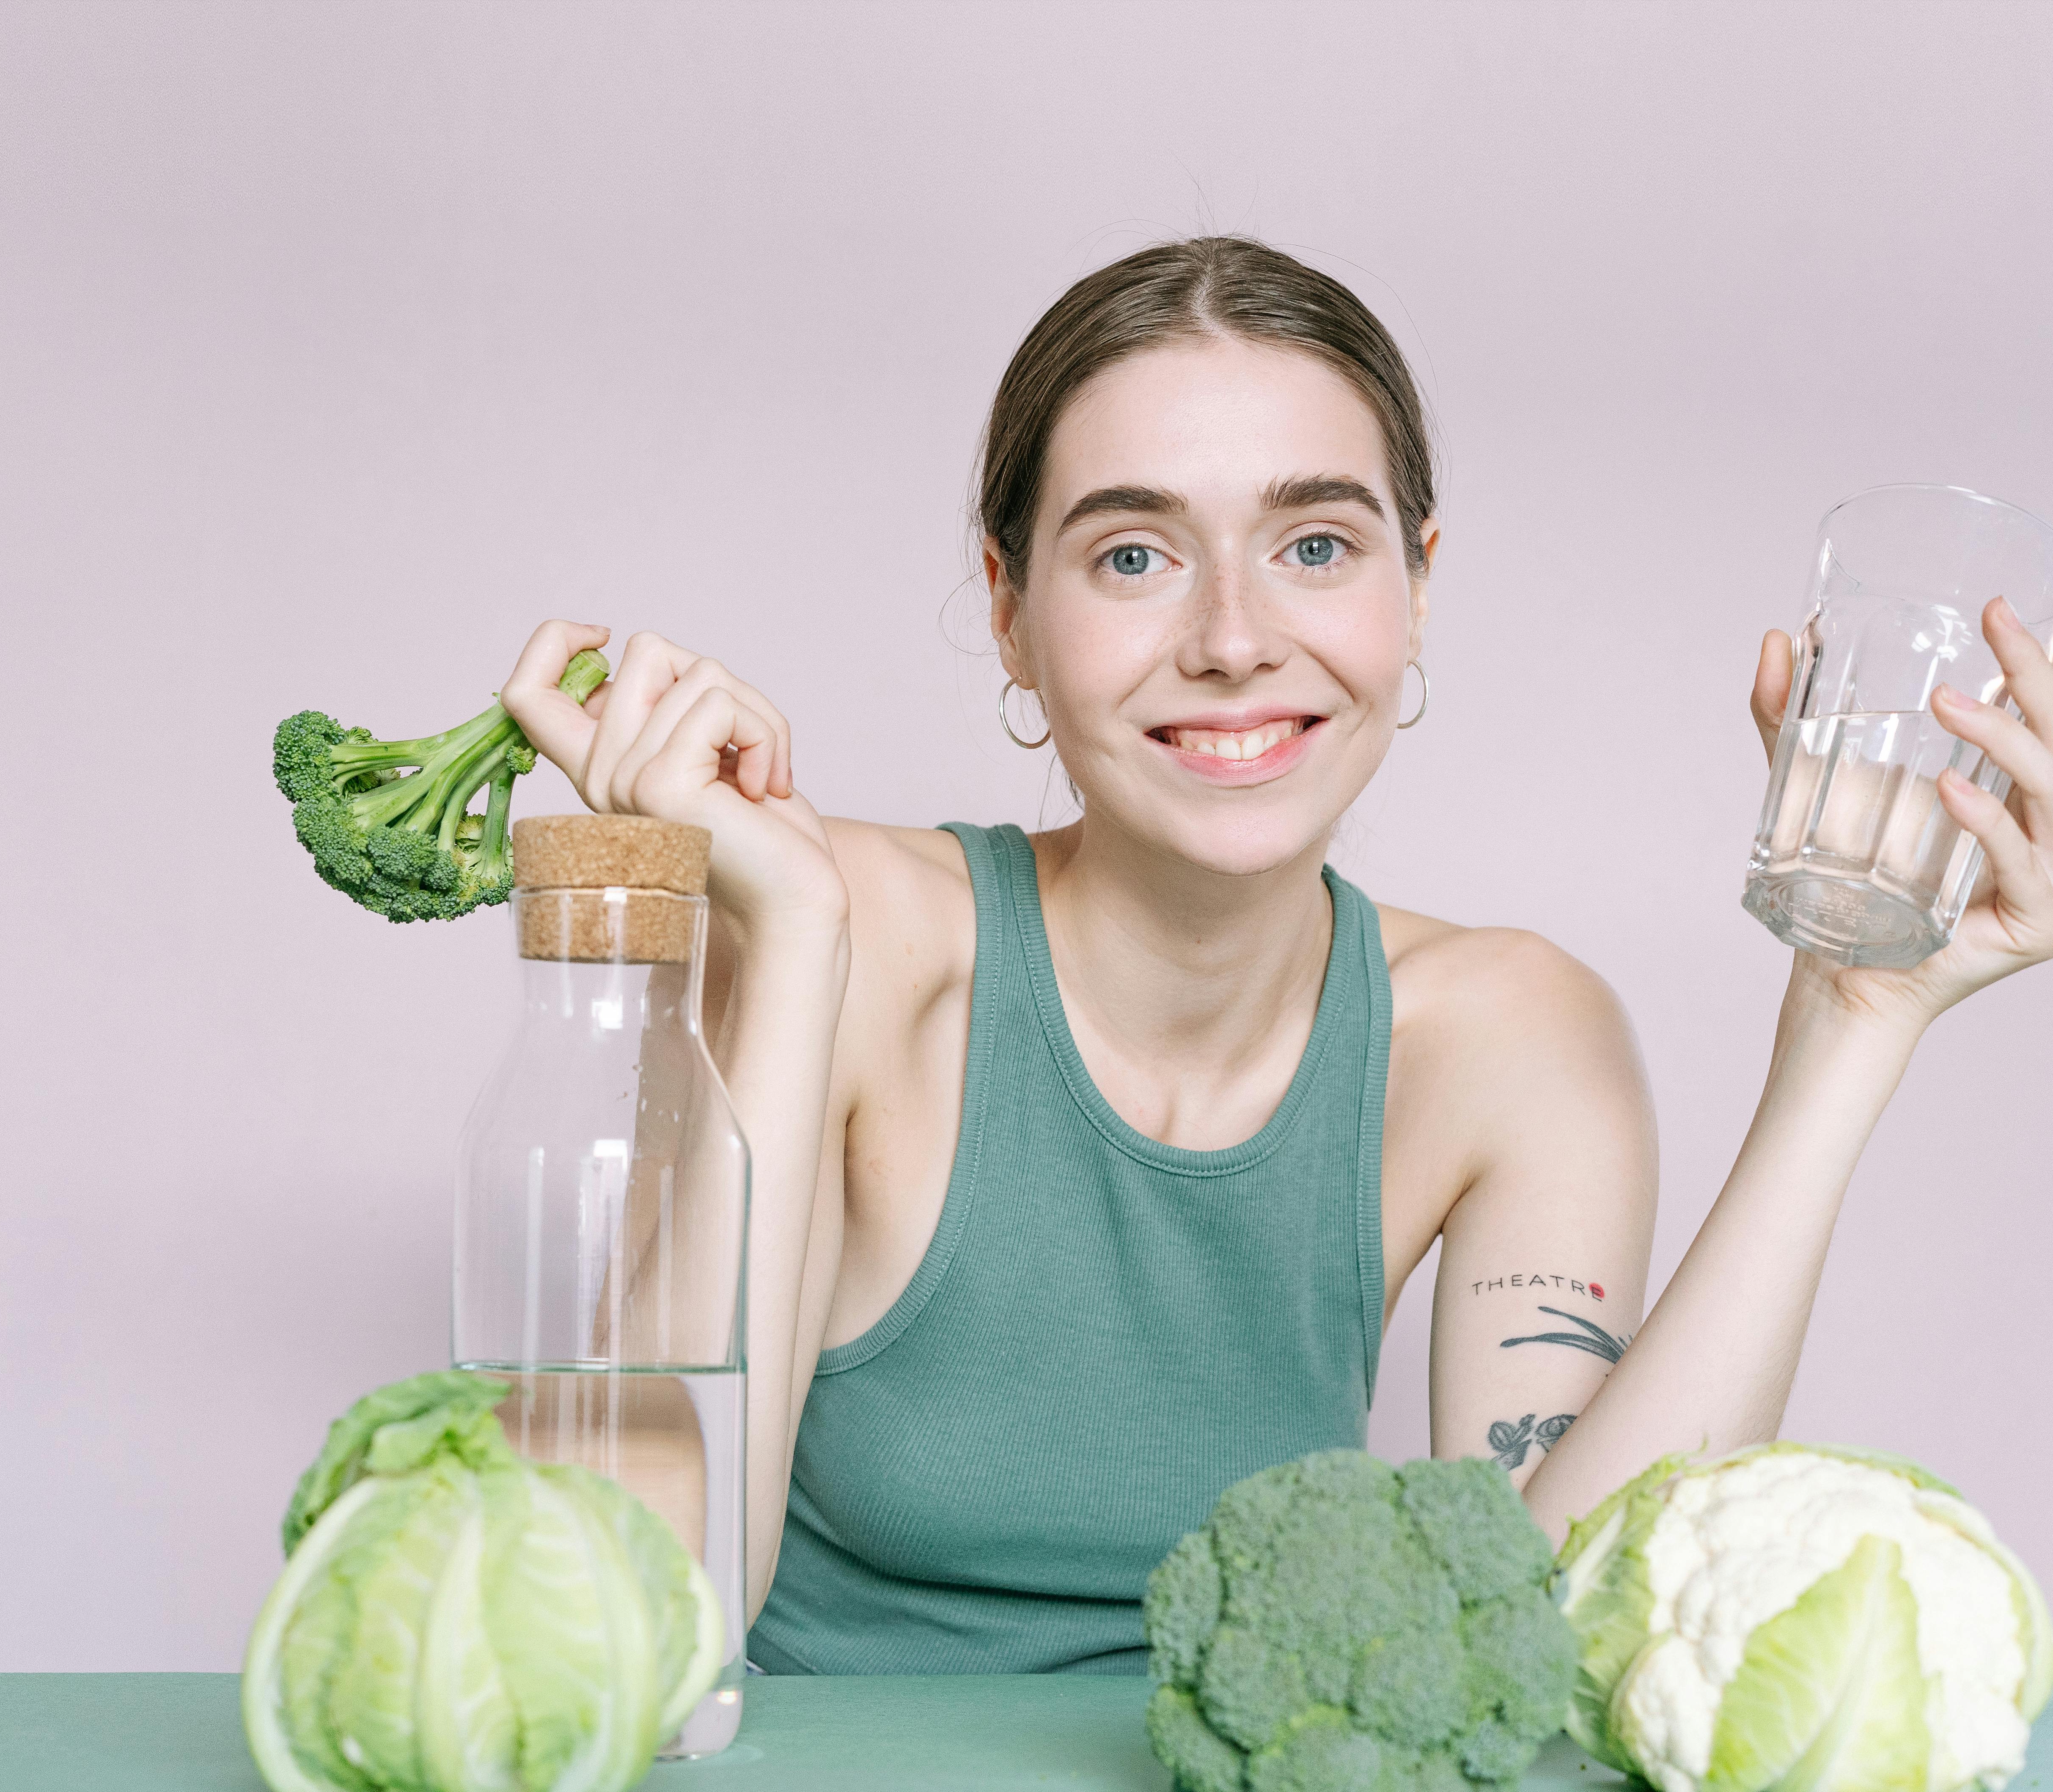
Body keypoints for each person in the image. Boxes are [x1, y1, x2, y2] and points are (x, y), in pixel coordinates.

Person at [496, 237, 2053, 1676]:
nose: (1235, 636)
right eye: (1130, 558)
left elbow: (1570, 1624)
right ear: (1008, 610)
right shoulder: (847, 928)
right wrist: (795, 938)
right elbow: (632, 1607)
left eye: (1315, 545)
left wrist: (1854, 1024)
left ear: (1415, 588)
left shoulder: (1509, 1034)